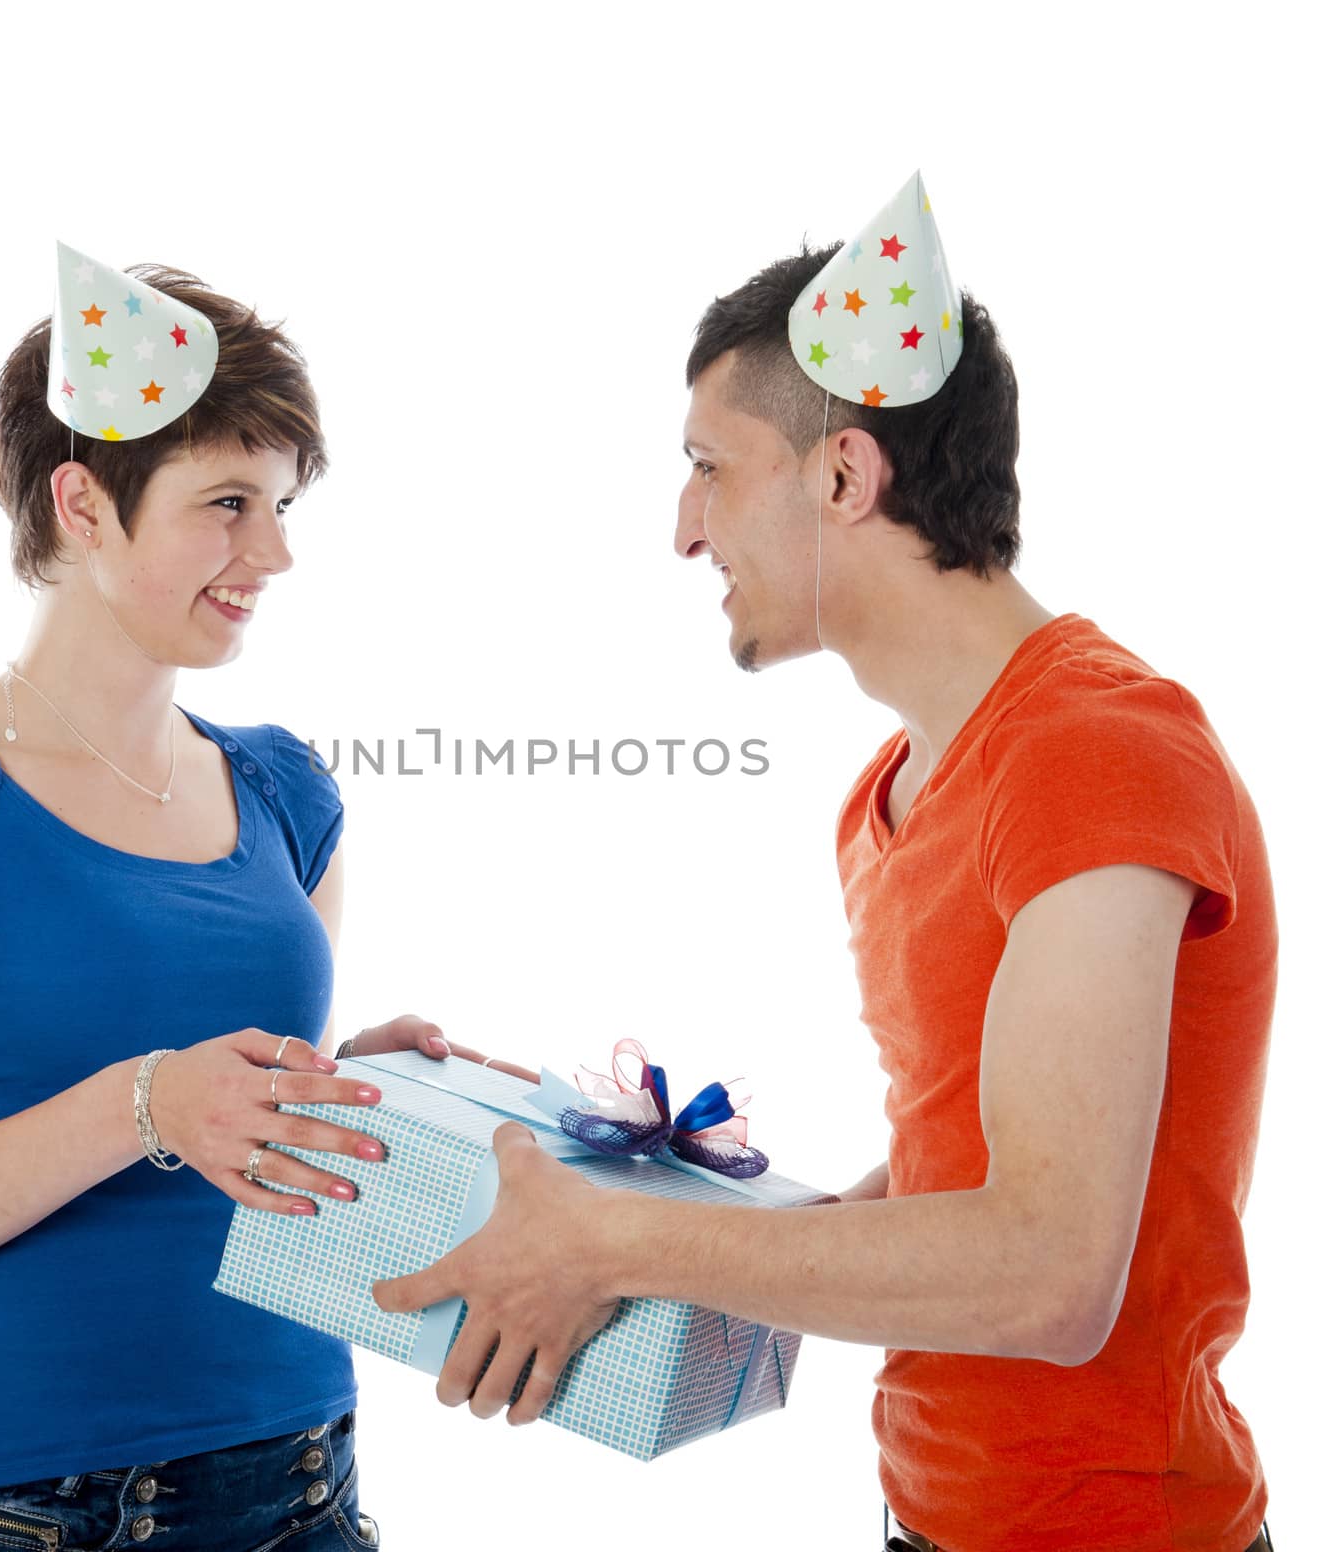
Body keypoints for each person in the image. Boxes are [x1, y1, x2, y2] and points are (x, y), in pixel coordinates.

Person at [372, 174, 1278, 1551]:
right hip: (929, 1514)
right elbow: (942, 1192)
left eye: (709, 465)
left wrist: (617, 1244)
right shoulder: (890, 793)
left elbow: (1048, 1274)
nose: (684, 529)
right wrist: (586, 1179)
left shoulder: (1094, 751)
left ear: (846, 475)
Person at [0, 245, 521, 1552]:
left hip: (300, 1480)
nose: (276, 552)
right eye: (229, 502)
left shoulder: (287, 797)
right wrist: (148, 1103)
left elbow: (248, 1136)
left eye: (285, 505)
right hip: (29, 1513)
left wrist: (360, 1090)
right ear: (82, 504)